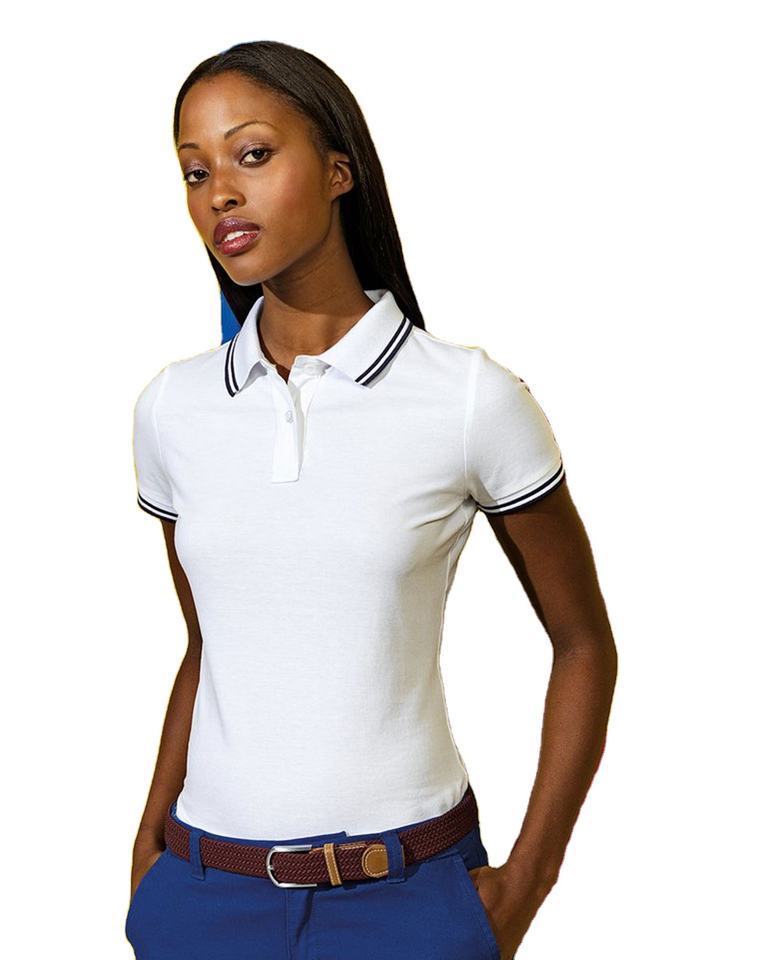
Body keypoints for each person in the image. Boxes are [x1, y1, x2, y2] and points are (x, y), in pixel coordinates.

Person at [125, 40, 618, 960]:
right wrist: (148, 860)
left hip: (407, 903)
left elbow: (582, 642)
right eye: (195, 171)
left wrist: (524, 884)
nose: (220, 192)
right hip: (201, 902)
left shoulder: (468, 399)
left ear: (339, 170)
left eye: (252, 154)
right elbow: (208, 645)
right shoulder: (172, 409)